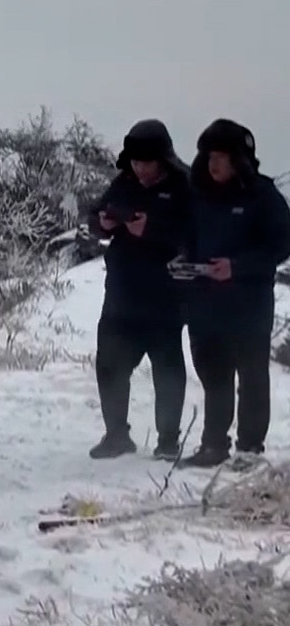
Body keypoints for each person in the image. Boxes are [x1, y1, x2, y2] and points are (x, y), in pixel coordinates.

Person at [177, 118, 290, 469]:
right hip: (204, 300)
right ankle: (213, 444)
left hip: (248, 302)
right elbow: (187, 235)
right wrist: (184, 260)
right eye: (210, 156)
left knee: (252, 375)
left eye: (223, 157)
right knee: (214, 374)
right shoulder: (198, 194)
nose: (214, 164)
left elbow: (282, 244)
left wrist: (237, 267)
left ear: (240, 159)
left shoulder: (263, 195)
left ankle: (249, 449)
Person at [86, 119, 192, 461]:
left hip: (165, 293)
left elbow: (195, 236)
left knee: (167, 367)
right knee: (110, 364)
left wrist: (151, 228)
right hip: (121, 291)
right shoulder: (124, 182)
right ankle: (117, 435)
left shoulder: (185, 185)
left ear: (163, 159)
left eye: (146, 163)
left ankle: (168, 440)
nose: (140, 169)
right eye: (134, 162)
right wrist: (102, 223)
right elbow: (95, 215)